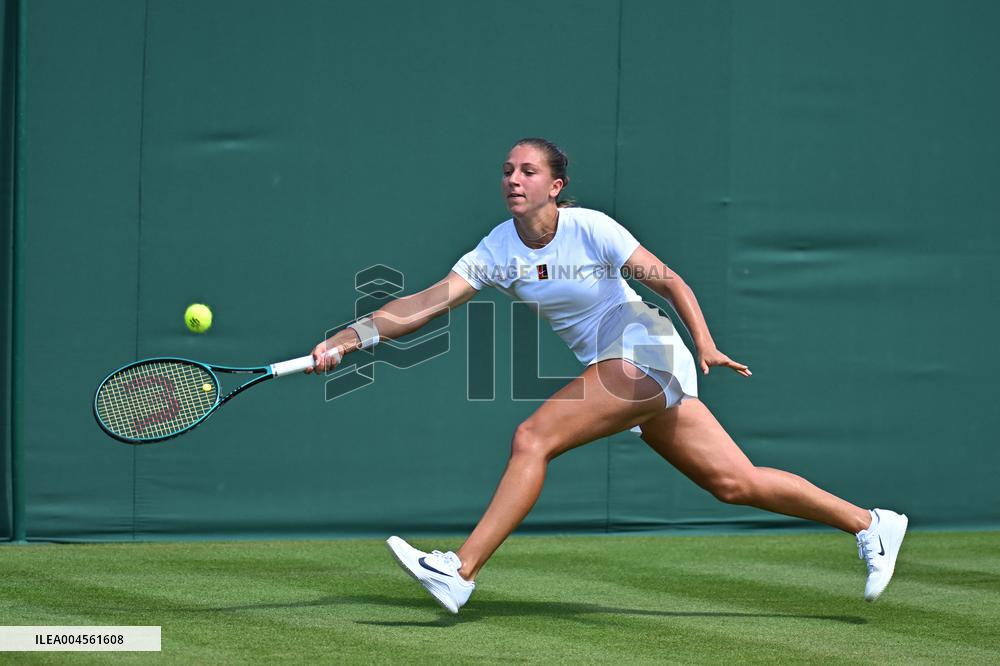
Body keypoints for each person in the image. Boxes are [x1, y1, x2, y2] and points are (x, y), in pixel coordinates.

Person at [307, 137, 908, 614]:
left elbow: (668, 280)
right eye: (507, 171)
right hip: (620, 366)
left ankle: (460, 572)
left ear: (556, 185)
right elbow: (426, 303)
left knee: (532, 438)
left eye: (528, 171)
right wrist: (350, 337)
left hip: (647, 351)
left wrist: (706, 343)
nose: (514, 180)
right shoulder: (496, 247)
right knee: (735, 483)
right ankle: (872, 524)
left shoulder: (590, 226)